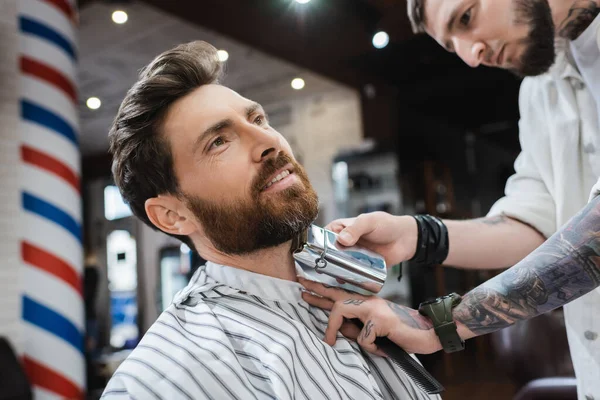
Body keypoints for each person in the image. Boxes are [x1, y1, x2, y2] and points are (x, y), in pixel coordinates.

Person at [100, 40, 439, 400]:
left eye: (257, 119)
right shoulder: (162, 379)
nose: (269, 141)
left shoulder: (346, 287)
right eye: (218, 142)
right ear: (172, 215)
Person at [300, 1, 600, 399]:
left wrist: (441, 324)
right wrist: (417, 235)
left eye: (466, 18)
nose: (471, 56)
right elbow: (538, 224)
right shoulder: (542, 87)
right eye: (452, 44)